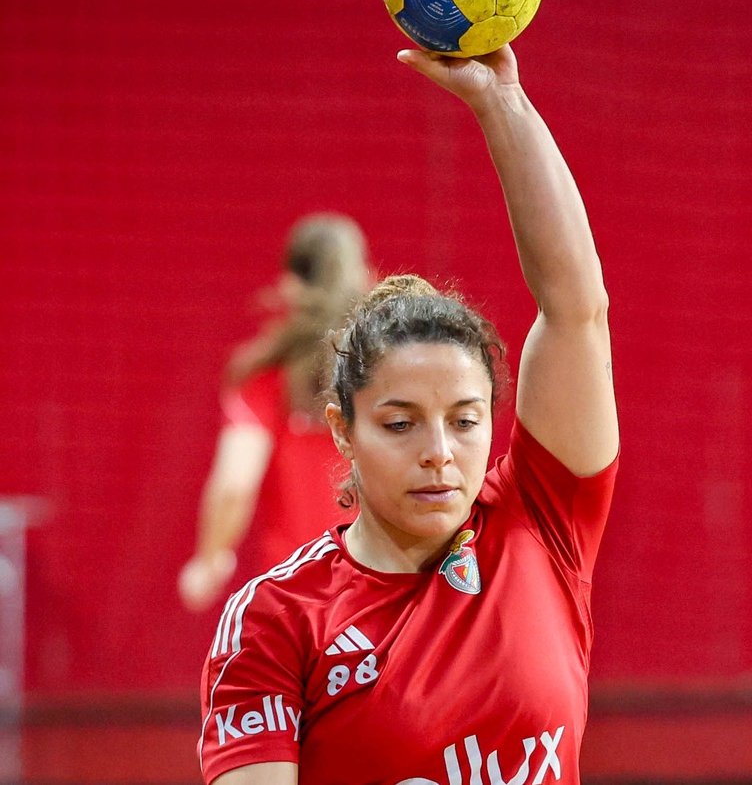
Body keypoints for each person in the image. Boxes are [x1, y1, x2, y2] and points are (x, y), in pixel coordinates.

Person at [197, 44, 619, 785]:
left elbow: (576, 310)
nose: (439, 451)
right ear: (343, 431)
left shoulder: (540, 524)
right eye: (400, 423)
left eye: (465, 419)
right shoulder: (275, 619)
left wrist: (502, 105)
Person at [178, 213, 370, 613]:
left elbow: (234, 483)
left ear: (292, 283)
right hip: (381, 585)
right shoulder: (380, 369)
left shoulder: (266, 375)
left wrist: (209, 560)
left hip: (298, 593)